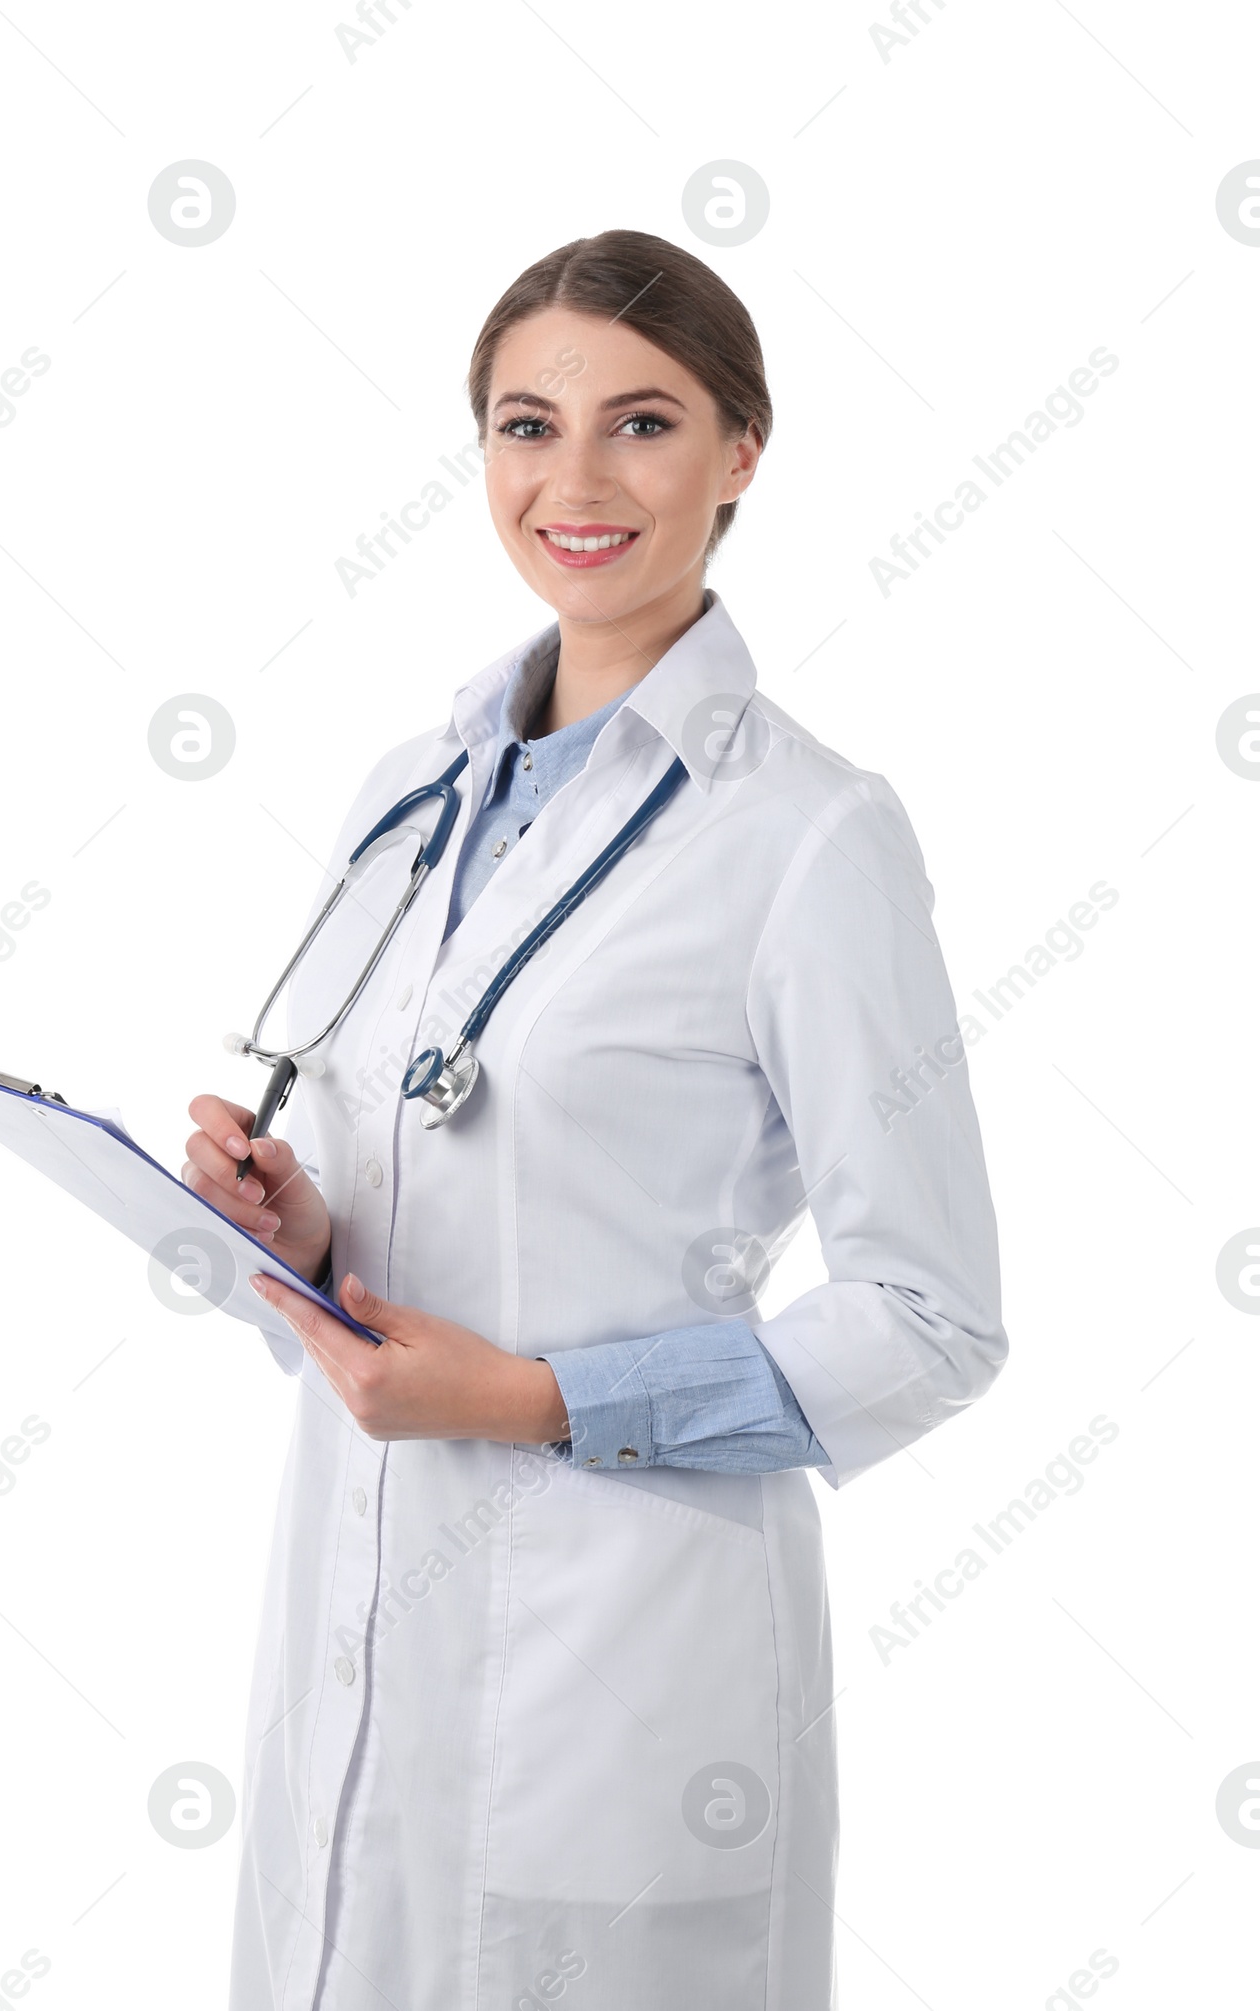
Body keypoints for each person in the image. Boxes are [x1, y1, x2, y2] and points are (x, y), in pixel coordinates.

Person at [182, 228, 1006, 2010]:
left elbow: (933, 1324)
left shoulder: (811, 834)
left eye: (641, 424)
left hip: (623, 1670)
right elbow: (422, 1163)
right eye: (521, 423)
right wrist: (303, 1232)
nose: (573, 481)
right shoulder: (406, 795)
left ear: (740, 458)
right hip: (354, 1620)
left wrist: (540, 1402)